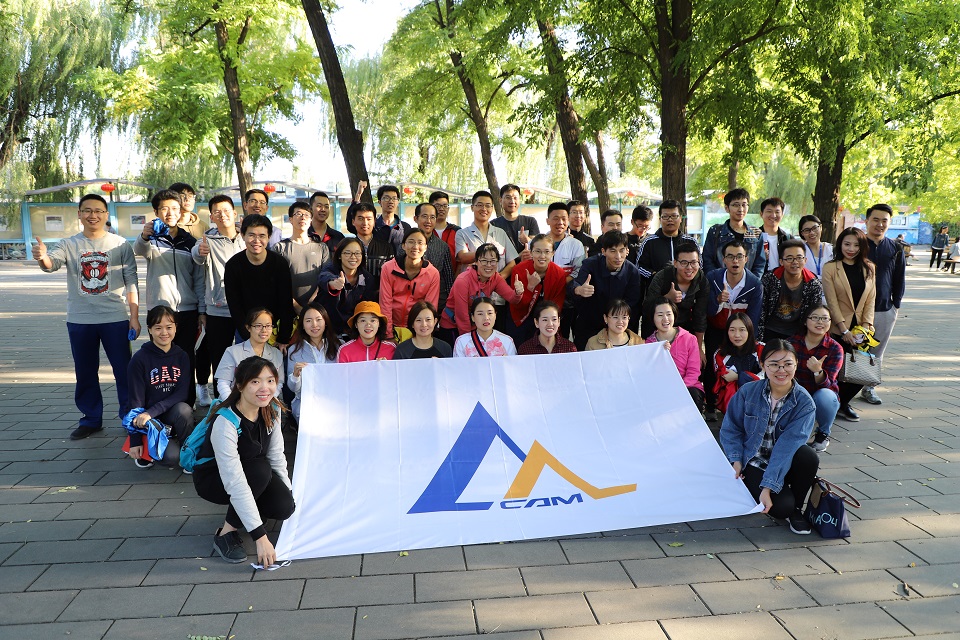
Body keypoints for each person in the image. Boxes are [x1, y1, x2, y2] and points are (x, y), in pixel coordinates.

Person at [33, 194, 140, 440]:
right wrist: (42, 257)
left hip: (115, 318)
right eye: (88, 210)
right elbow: (51, 264)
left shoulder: (120, 244)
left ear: (106, 215)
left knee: (124, 371)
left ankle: (129, 416)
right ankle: (91, 419)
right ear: (79, 214)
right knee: (85, 371)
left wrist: (134, 317)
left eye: (99, 211)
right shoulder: (69, 244)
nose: (93, 215)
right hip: (80, 320)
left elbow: (131, 281)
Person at [193, 356, 295, 565]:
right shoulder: (225, 422)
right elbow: (235, 481)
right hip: (214, 479)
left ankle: (249, 511)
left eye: (270, 380)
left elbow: (277, 457)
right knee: (259, 470)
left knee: (284, 507)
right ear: (239, 385)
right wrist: (260, 537)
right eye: (255, 381)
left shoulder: (272, 409)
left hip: (254, 472)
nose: (265, 388)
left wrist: (289, 493)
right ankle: (225, 533)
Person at [720, 340, 818, 534]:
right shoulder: (748, 392)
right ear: (763, 365)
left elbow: (787, 448)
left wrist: (768, 486)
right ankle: (762, 490)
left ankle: (797, 508)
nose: (781, 370)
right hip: (754, 460)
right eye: (774, 364)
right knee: (781, 508)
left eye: (787, 364)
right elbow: (731, 429)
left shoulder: (805, 403)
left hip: (784, 461)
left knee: (808, 456)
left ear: (796, 365)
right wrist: (735, 459)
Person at [134, 188, 205, 406]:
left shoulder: (190, 242)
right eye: (164, 209)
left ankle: (187, 404)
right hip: (160, 310)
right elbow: (139, 249)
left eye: (174, 208)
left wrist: (202, 311)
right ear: (156, 212)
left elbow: (199, 279)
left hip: (187, 311)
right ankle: (161, 404)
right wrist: (144, 235)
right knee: (161, 360)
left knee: (187, 358)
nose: (170, 213)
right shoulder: (151, 240)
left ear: (181, 211)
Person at [125, 305, 194, 468]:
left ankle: (190, 451)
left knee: (184, 410)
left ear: (175, 328)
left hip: (167, 413)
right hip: (149, 421)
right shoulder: (139, 359)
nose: (164, 332)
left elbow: (182, 393)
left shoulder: (182, 356)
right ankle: (148, 442)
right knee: (173, 458)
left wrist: (152, 412)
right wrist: (135, 440)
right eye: (158, 328)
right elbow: (135, 402)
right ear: (149, 330)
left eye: (169, 327)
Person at [193, 195, 245, 405]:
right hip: (217, 310)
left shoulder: (247, 238)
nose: (222, 215)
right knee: (220, 360)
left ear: (235, 213)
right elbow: (197, 256)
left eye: (226, 211)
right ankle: (220, 404)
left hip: (245, 310)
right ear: (212, 217)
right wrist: (202, 311)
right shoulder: (206, 241)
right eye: (217, 212)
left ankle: (244, 402)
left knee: (245, 359)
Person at [821, 227, 876, 422]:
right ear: (840, 245)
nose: (851, 249)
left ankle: (842, 403)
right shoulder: (830, 267)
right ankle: (834, 404)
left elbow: (871, 300)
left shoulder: (869, 268)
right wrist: (843, 329)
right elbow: (831, 300)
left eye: (856, 245)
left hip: (861, 330)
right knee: (836, 370)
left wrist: (866, 327)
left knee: (862, 371)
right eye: (847, 244)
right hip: (838, 328)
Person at [704, 240, 764, 418]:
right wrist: (718, 300)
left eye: (739, 256)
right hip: (716, 329)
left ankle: (737, 405)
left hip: (740, 332)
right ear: (723, 259)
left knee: (738, 367)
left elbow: (753, 318)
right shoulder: (713, 278)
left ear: (746, 259)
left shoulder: (754, 284)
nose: (735, 261)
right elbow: (706, 311)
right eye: (730, 256)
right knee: (712, 366)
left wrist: (746, 338)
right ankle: (710, 406)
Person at [224, 214, 295, 344]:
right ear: (243, 235)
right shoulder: (233, 265)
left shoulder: (279, 263)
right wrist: (248, 336)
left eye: (262, 236)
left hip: (274, 331)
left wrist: (283, 337)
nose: (256, 240)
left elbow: (286, 303)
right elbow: (234, 305)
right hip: (246, 332)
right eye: (251, 235)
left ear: (269, 237)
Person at [862, 203, 906, 405]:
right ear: (867, 221)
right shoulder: (857, 245)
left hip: (884, 308)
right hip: (857, 309)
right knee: (855, 350)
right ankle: (846, 389)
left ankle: (869, 387)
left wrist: (895, 306)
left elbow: (899, 278)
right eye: (875, 220)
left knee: (877, 351)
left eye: (884, 221)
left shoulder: (895, 248)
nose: (880, 224)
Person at [571, 230, 642, 351]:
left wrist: (617, 320)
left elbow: (632, 302)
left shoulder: (632, 272)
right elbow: (575, 285)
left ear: (627, 251)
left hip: (618, 326)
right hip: (590, 323)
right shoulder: (590, 264)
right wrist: (578, 290)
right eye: (613, 251)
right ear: (603, 251)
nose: (618, 256)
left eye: (622, 250)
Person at [789, 306, 844, 452]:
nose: (820, 322)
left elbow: (828, 383)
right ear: (805, 321)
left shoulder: (835, 348)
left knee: (825, 396)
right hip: (795, 392)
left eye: (825, 318)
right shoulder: (791, 343)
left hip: (820, 393)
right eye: (815, 318)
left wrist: (817, 372)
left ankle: (823, 433)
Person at [442, 243, 524, 338]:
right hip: (452, 325)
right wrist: (468, 341)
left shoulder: (496, 278)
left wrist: (518, 292)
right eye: (484, 261)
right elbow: (462, 316)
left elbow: (512, 299)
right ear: (476, 262)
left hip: (475, 325)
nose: (489, 265)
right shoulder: (463, 280)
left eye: (493, 261)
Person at [641, 240, 707, 354]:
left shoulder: (701, 281)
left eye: (694, 262)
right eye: (684, 263)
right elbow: (647, 308)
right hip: (657, 329)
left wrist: (699, 348)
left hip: (684, 329)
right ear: (675, 263)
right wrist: (667, 298)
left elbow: (700, 316)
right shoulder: (662, 277)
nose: (689, 267)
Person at [758, 239, 825, 342]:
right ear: (781, 261)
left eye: (799, 258)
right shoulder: (770, 279)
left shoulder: (813, 284)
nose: (795, 262)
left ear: (805, 260)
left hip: (797, 333)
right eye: (789, 258)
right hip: (770, 329)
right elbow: (761, 310)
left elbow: (815, 312)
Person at [645, 298, 704, 411]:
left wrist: (679, 389)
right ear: (653, 318)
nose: (665, 319)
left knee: (692, 395)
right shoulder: (649, 343)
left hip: (687, 386)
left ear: (674, 315)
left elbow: (693, 371)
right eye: (660, 315)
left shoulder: (689, 339)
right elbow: (650, 373)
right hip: (661, 388)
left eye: (668, 314)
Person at [379, 228, 441, 336]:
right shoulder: (388, 268)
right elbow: (385, 303)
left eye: (420, 243)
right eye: (411, 242)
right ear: (403, 245)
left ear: (426, 247)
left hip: (418, 328)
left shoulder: (433, 273)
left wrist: (422, 335)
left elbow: (430, 308)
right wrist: (389, 334)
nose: (415, 246)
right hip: (392, 326)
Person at [215, 308, 285, 401]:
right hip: (235, 402)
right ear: (248, 327)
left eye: (268, 326)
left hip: (265, 402)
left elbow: (279, 383)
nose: (264, 330)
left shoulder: (277, 354)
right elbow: (223, 383)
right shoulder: (232, 351)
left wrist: (267, 401)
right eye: (258, 326)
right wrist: (232, 404)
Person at [274, 201, 331, 314]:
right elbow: (277, 281)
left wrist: (310, 304)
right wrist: (295, 305)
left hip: (316, 308)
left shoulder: (321, 247)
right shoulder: (280, 248)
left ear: (311, 220)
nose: (303, 217)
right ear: (290, 219)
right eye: (298, 214)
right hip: (286, 308)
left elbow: (326, 277)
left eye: (306, 215)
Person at [509, 234, 568, 342]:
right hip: (522, 317)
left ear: (553, 253)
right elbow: (517, 305)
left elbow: (557, 306)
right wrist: (530, 287)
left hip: (547, 318)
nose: (542, 256)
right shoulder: (519, 270)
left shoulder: (559, 274)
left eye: (547, 252)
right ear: (531, 252)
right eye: (538, 251)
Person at [286, 304, 340, 420]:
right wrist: (295, 375)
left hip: (336, 402)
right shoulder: (294, 351)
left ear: (325, 322)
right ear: (302, 325)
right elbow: (293, 388)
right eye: (308, 321)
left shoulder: (338, 346)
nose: (314, 325)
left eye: (318, 319)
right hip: (307, 404)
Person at [398, 202, 455, 311]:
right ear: (415, 218)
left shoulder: (442, 246)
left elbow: (448, 279)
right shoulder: (405, 244)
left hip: (436, 303)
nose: (428, 221)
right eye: (424, 216)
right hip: (407, 303)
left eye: (432, 217)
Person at [316, 237, 376, 336]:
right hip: (327, 328)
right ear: (339, 255)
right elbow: (324, 277)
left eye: (357, 253)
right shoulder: (331, 270)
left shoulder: (367, 278)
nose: (353, 257)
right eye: (348, 253)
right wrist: (333, 284)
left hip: (353, 330)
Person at [703, 188, 766, 277]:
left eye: (744, 205)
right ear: (727, 208)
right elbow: (707, 260)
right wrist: (718, 280)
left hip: (748, 283)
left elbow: (759, 264)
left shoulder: (756, 233)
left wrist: (751, 282)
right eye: (736, 205)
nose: (741, 209)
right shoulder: (716, 231)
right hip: (720, 282)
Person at [712, 313, 763, 414]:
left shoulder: (762, 349)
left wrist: (739, 376)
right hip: (735, 401)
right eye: (732, 330)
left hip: (761, 398)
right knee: (730, 387)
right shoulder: (720, 354)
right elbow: (724, 383)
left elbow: (767, 380)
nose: (737, 335)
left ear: (749, 330)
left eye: (742, 330)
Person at [635, 200, 696, 283]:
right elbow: (639, 267)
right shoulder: (649, 242)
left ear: (681, 218)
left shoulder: (690, 242)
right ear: (660, 219)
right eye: (665, 216)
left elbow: (699, 265)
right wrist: (655, 275)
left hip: (687, 289)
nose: (670, 219)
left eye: (674, 216)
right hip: (658, 289)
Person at [350, 202, 396, 298]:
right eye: (360, 218)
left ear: (374, 221)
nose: (365, 223)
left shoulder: (386, 247)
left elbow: (392, 276)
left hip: (379, 298)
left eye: (369, 219)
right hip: (352, 298)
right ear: (353, 221)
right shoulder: (347, 247)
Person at [453, 296, 517, 357]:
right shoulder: (462, 341)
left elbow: (513, 364)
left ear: (495, 315)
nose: (486, 318)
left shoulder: (507, 341)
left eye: (490, 313)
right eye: (480, 314)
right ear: (473, 317)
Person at [491, 183, 540, 257]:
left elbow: (538, 247)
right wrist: (517, 257)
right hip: (504, 264)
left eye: (515, 198)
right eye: (508, 197)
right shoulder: (493, 225)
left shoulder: (530, 221)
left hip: (527, 263)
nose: (512, 201)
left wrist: (528, 240)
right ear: (500, 200)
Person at [759, 197, 792, 271]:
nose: (773, 215)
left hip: (782, 277)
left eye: (777, 212)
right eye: (769, 211)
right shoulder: (754, 237)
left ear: (782, 215)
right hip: (760, 276)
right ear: (761, 214)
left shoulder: (788, 239)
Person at [429, 191, 461, 269]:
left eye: (445, 206)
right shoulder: (425, 231)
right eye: (437, 206)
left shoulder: (457, 231)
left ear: (448, 208)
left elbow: (461, 260)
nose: (441, 209)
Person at [374, 184, 410, 249]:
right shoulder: (373, 226)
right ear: (379, 202)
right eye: (386, 198)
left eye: (394, 198)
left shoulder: (405, 227)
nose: (391, 201)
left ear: (398, 202)